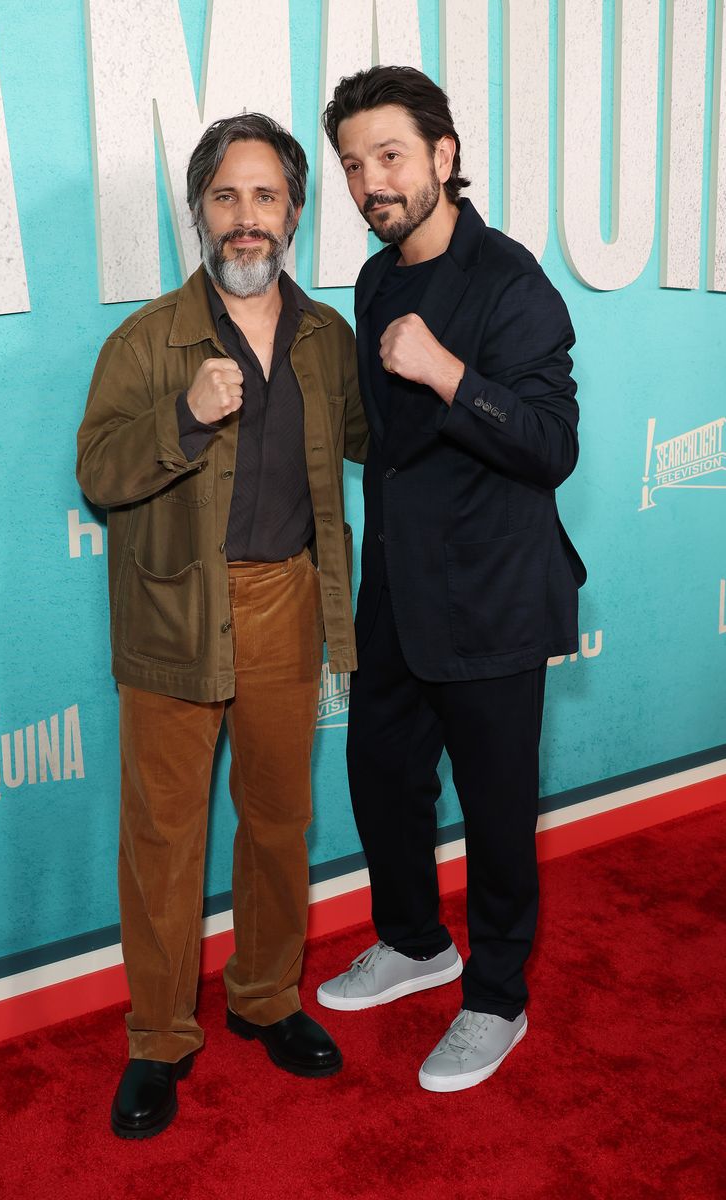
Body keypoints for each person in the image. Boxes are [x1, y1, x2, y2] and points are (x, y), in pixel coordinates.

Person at [77, 112, 367, 1138]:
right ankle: (157, 1038)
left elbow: (387, 442)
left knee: (280, 821)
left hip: (286, 603)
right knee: (163, 839)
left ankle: (266, 998)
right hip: (172, 613)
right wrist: (186, 417)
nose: (248, 220)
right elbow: (99, 476)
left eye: (267, 197)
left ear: (294, 213)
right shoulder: (147, 338)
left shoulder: (329, 340)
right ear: (198, 212)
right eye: (226, 197)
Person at [317, 66, 586, 1092]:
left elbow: (551, 444)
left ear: (442, 155)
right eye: (352, 164)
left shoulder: (514, 284)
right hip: (393, 586)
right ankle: (415, 943)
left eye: (388, 155)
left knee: (496, 807)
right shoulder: (376, 278)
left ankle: (497, 996)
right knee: (380, 779)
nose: (369, 180)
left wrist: (448, 375)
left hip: (489, 593)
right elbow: (386, 447)